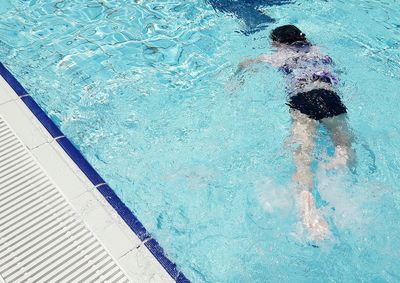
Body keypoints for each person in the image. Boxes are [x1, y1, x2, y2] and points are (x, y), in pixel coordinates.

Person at [236, 25, 354, 240]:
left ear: (278, 43)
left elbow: (245, 63)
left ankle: (311, 218)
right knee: (344, 146)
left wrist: (237, 76)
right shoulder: (321, 51)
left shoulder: (279, 55)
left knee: (303, 160)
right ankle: (341, 171)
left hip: (302, 99)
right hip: (329, 97)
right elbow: (339, 74)